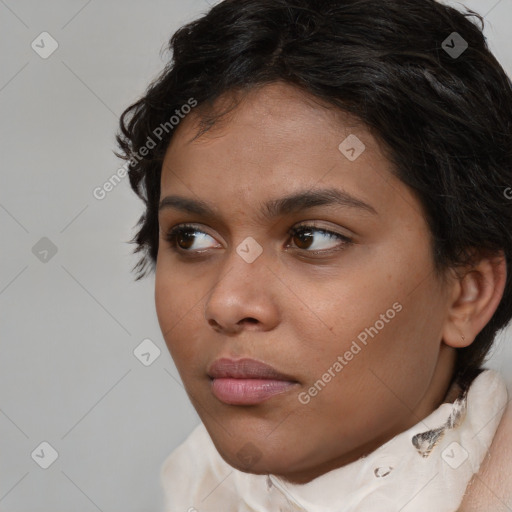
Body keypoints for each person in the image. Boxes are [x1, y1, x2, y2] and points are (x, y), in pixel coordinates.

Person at [115, 0, 512, 509]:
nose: (227, 302)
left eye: (312, 238)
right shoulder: (200, 489)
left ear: (466, 293)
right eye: (191, 237)